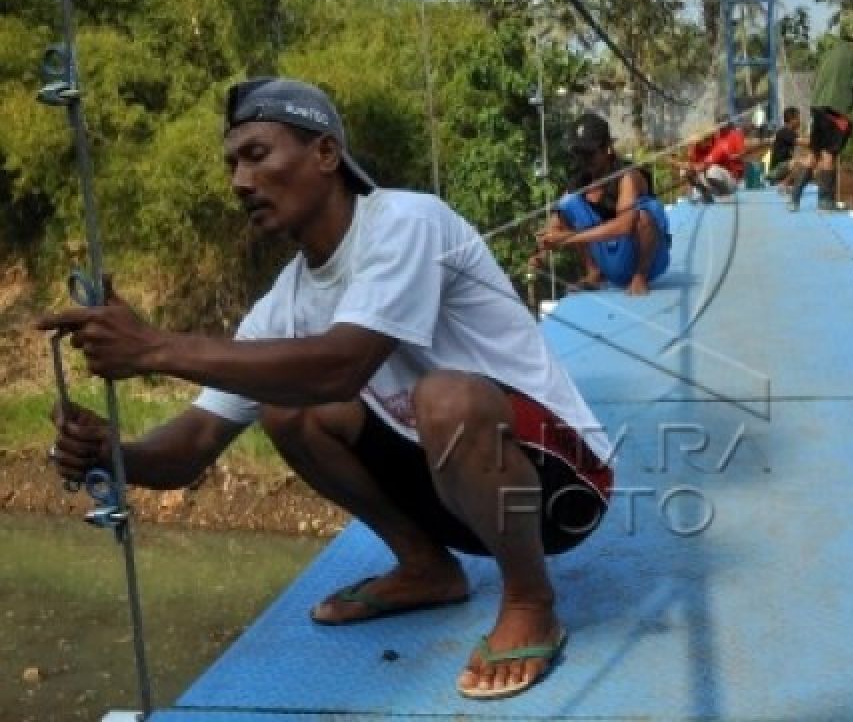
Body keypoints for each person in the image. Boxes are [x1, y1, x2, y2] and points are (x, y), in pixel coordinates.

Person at [38, 78, 614, 700]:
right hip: (459, 498)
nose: (238, 181)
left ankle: (530, 599)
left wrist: (153, 347)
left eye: (257, 154)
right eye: (231, 163)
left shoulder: (406, 221)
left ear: (325, 154)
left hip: (563, 485)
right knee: (289, 414)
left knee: (444, 397)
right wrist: (114, 453)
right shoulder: (282, 304)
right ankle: (426, 567)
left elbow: (343, 365)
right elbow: (196, 443)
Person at [532, 112, 670, 296]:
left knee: (642, 216)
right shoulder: (580, 182)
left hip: (650, 261)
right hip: (613, 262)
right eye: (578, 153)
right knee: (567, 204)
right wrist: (542, 249)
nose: (584, 160)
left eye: (589, 153)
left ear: (607, 148)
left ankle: (640, 276)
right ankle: (594, 273)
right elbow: (556, 221)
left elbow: (625, 225)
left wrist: (567, 238)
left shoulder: (628, 176)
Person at [802, 28, 853, 210]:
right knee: (829, 154)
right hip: (837, 108)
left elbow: (815, 80)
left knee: (814, 153)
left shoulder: (831, 52)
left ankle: (795, 196)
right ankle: (826, 200)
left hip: (817, 106)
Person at [679, 116, 745, 203]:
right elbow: (691, 168)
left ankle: (725, 195)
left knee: (712, 171)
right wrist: (690, 197)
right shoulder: (695, 148)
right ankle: (706, 194)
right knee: (684, 171)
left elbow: (701, 167)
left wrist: (732, 156)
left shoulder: (720, 144)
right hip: (711, 175)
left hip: (730, 179)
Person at [766, 106, 809, 209]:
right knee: (800, 163)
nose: (799, 121)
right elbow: (804, 142)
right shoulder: (785, 132)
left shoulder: (790, 132)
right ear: (792, 120)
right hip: (776, 170)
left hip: (784, 168)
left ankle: (787, 183)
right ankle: (784, 184)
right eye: (798, 118)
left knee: (806, 163)